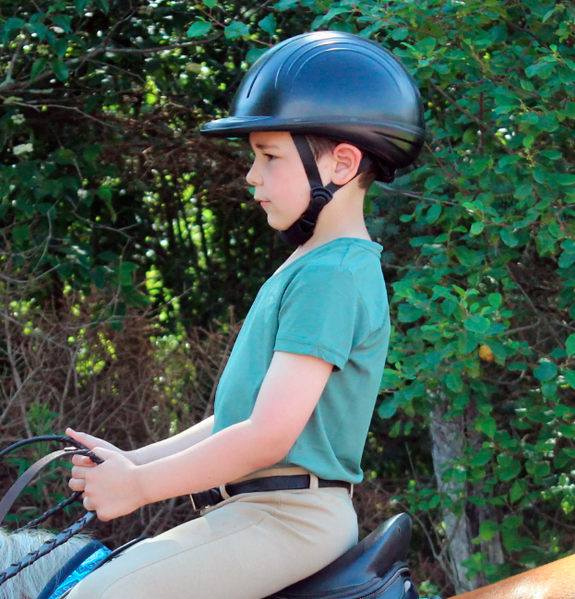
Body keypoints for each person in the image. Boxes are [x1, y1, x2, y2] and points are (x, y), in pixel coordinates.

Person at [65, 30, 425, 599]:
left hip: (289, 520)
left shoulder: (331, 275)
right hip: (264, 514)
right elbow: (238, 419)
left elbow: (265, 438)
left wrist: (138, 487)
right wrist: (134, 460)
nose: (252, 176)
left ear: (342, 163)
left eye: (269, 156)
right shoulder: (314, 264)